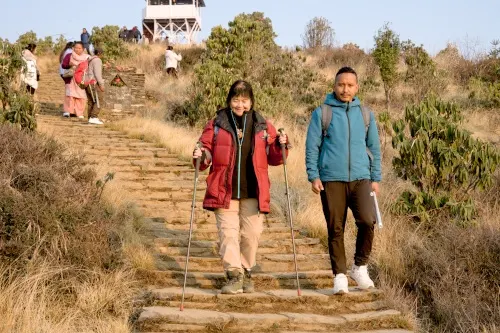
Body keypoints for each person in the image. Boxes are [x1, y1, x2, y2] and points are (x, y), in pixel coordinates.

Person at [192, 80, 290, 295]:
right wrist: (201, 154)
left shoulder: (262, 124)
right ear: (229, 100)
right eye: (236, 100)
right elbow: (206, 149)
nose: (240, 105)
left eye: (244, 100)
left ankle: (246, 270)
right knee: (228, 234)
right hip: (223, 189)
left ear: (251, 101)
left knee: (252, 234)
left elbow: (275, 157)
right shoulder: (217, 123)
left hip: (253, 191)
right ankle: (234, 275)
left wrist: (281, 144)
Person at [305, 66, 382, 295]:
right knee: (335, 227)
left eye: (350, 85)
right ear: (334, 86)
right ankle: (339, 276)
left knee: (368, 222)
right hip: (331, 178)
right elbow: (312, 146)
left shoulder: (366, 114)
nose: (345, 89)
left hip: (361, 178)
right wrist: (313, 175)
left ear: (357, 87)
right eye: (341, 84)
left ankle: (359, 267)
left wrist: (375, 177)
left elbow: (374, 148)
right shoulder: (322, 113)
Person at [63, 42, 89, 119]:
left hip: (81, 79)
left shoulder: (87, 57)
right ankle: (68, 111)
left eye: (79, 48)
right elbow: (63, 65)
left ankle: (79, 113)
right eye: (76, 48)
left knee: (81, 96)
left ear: (83, 49)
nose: (77, 49)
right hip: (71, 79)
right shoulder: (69, 55)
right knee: (70, 95)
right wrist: (69, 65)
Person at [85, 48, 105, 125]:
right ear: (100, 53)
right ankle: (94, 117)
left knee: (91, 101)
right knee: (99, 100)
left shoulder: (90, 59)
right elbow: (97, 74)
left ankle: (90, 118)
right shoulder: (97, 60)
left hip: (87, 83)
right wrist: (101, 84)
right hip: (93, 83)